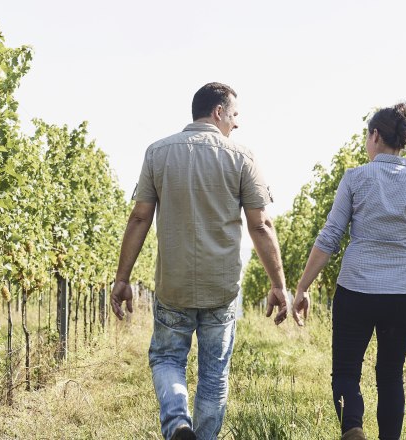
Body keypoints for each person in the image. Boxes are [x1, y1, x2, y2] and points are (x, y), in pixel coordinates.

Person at [110, 82, 288, 440]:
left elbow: (140, 218)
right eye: (234, 116)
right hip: (220, 288)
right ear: (219, 112)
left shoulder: (158, 153)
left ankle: (177, 422)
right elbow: (261, 225)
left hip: (172, 284)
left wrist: (122, 278)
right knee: (214, 373)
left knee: (166, 359)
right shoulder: (243, 157)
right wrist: (278, 284)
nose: (236, 125)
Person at [291, 103, 406, 440]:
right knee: (390, 375)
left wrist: (302, 287)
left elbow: (330, 236)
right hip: (403, 294)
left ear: (376, 136)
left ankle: (353, 426)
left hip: (356, 289)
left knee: (345, 372)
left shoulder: (355, 178)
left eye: (367, 138)